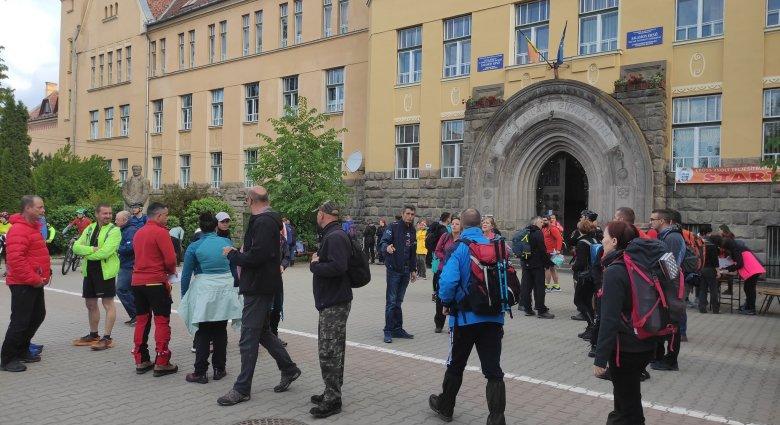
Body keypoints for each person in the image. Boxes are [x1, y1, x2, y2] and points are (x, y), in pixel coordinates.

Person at [217, 187, 301, 406]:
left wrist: (234, 255)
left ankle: (242, 388)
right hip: (262, 284)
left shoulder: (263, 222)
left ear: (250, 200)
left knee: (248, 337)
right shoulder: (268, 220)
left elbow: (258, 255)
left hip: (259, 286)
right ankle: (289, 369)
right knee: (262, 332)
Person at [429, 208, 506, 425]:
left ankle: (446, 407)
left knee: (456, 364)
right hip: (493, 317)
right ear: (481, 223)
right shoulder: (496, 246)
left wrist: (445, 303)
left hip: (465, 318)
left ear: (461, 224)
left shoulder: (460, 248)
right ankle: (497, 419)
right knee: (493, 370)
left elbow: (448, 281)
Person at [593, 220, 657, 425]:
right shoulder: (641, 262)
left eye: (604, 236)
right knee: (627, 398)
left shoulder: (615, 270)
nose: (601, 240)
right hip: (646, 340)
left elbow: (609, 319)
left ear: (613, 240)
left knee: (627, 409)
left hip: (625, 348)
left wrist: (600, 358)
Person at [179, 212, 243, 384]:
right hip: (225, 288)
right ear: (215, 226)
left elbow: (185, 276)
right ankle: (219, 369)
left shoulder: (194, 246)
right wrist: (237, 289)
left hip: (205, 289)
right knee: (220, 329)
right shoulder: (226, 242)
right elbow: (233, 267)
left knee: (203, 331)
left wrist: (184, 296)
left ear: (200, 227)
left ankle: (200, 372)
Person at [309, 202, 353, 418]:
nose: (317, 216)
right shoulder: (335, 233)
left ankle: (333, 399)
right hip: (334, 300)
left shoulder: (334, 237)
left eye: (318, 212)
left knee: (329, 350)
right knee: (335, 349)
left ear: (324, 215)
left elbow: (338, 266)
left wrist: (315, 265)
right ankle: (331, 391)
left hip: (334, 302)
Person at [0, 196, 51, 372]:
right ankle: (7, 359)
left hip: (33, 282)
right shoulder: (19, 230)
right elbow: (15, 260)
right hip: (23, 284)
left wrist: (44, 274)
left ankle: (22, 350)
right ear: (28, 208)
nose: (43, 210)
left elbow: (34, 255)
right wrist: (35, 279)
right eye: (40, 207)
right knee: (20, 321)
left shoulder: (32, 228)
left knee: (37, 315)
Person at [131, 202, 179, 377]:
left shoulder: (139, 233)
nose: (167, 218)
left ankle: (141, 359)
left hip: (137, 282)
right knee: (161, 320)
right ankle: (162, 361)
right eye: (166, 215)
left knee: (142, 320)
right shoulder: (161, 232)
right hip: (156, 282)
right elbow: (170, 259)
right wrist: (170, 272)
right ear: (159, 216)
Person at [71, 204, 122, 351]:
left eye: (110, 213)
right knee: (90, 304)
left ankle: (107, 338)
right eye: (105, 213)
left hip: (105, 272)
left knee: (108, 304)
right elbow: (75, 247)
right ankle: (94, 335)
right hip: (89, 271)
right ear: (97, 214)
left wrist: (85, 253)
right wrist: (91, 249)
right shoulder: (90, 228)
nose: (108, 216)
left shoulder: (115, 230)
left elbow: (106, 252)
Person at [648, 209, 684, 372]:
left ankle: (670, 360)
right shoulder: (667, 237)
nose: (650, 222)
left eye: (653, 219)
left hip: (671, 287)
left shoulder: (672, 238)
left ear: (663, 221)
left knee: (672, 324)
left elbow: (670, 266)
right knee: (664, 321)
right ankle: (659, 356)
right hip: (666, 286)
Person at [378, 205, 418, 343]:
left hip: (406, 271)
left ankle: (397, 329)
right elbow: (383, 242)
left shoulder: (413, 230)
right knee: (391, 301)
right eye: (408, 213)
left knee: (398, 302)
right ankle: (388, 331)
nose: (410, 216)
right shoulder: (393, 226)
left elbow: (413, 252)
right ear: (402, 214)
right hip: (394, 269)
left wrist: (414, 270)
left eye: (412, 214)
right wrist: (387, 247)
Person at [719, 234, 765, 315]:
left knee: (749, 289)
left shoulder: (736, 250)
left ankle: (751, 309)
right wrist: (728, 268)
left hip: (752, 270)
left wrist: (727, 269)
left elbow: (740, 264)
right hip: (753, 270)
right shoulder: (738, 248)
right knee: (748, 289)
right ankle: (748, 306)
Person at [519, 217, 555, 319]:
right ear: (535, 222)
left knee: (526, 287)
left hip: (526, 263)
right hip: (537, 264)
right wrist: (547, 262)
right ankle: (541, 310)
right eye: (540, 221)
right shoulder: (537, 232)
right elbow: (542, 249)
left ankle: (528, 309)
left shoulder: (525, 231)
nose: (542, 223)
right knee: (539, 287)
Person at [433, 216, 462, 333]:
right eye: (452, 224)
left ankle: (453, 324)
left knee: (456, 298)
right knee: (441, 296)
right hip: (443, 270)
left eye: (457, 224)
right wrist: (444, 258)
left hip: (457, 271)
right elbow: (437, 250)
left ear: (461, 226)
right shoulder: (445, 237)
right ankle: (439, 323)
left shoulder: (463, 239)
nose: (453, 225)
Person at [571, 219, 599, 337]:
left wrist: (574, 267)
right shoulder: (595, 240)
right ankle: (590, 327)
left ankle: (592, 326)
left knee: (579, 300)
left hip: (584, 276)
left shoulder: (582, 242)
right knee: (587, 301)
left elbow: (581, 262)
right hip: (594, 275)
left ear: (580, 229)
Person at [115, 211, 138, 325]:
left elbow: (130, 247)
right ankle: (138, 315)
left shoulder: (130, 231)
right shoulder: (124, 230)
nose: (115, 221)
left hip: (129, 265)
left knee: (121, 289)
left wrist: (116, 248)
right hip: (126, 264)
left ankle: (136, 314)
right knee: (129, 290)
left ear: (125, 220)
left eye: (117, 219)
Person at [697, 226, 720, 314]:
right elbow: (715, 260)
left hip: (701, 268)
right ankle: (715, 309)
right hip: (710, 269)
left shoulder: (699, 243)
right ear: (707, 233)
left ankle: (702, 308)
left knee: (703, 289)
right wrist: (718, 271)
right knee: (713, 289)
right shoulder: (712, 244)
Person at [542, 215, 563, 292]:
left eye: (545, 220)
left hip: (551, 252)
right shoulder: (544, 229)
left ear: (549, 220)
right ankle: (556, 286)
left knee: (547, 268)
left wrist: (558, 250)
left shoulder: (553, 228)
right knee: (552, 269)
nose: (544, 222)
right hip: (546, 251)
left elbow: (559, 239)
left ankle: (547, 286)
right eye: (543, 220)